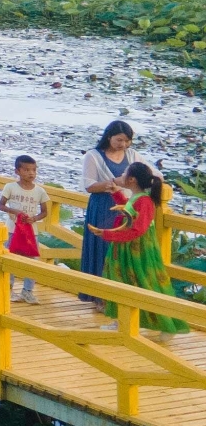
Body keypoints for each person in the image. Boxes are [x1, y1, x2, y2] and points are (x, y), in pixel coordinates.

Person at [86, 161, 188, 334]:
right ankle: (122, 321)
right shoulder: (137, 197)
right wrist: (117, 195)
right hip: (126, 248)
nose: (122, 176)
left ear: (132, 180)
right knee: (122, 280)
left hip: (137, 249)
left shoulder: (145, 201)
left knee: (145, 282)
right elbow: (130, 210)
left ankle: (167, 325)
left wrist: (108, 234)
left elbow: (137, 229)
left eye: (125, 173)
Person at [79, 121, 138, 304]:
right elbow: (89, 185)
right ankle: (100, 298)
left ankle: (120, 297)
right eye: (119, 140)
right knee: (103, 248)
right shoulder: (94, 156)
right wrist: (114, 182)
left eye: (127, 140)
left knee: (122, 251)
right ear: (109, 137)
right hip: (103, 207)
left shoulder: (132, 155)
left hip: (125, 207)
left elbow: (152, 174)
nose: (123, 144)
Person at [0, 155, 48, 304]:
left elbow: (44, 211)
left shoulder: (40, 191)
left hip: (31, 231)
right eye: (26, 170)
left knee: (32, 261)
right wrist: (15, 212)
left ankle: (27, 291)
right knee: (10, 258)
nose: (30, 173)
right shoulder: (10, 187)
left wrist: (35, 218)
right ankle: (8, 289)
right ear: (17, 171)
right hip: (13, 229)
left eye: (33, 170)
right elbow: (1, 205)